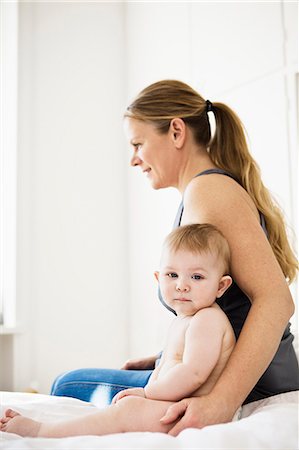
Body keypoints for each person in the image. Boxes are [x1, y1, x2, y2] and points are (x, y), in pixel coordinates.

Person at [50, 80, 298, 435]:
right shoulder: (207, 191)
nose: (134, 159)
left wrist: (221, 402)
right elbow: (228, 312)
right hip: (222, 370)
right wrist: (167, 355)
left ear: (177, 131)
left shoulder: (209, 191)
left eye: (138, 144)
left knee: (67, 385)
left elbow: (275, 301)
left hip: (249, 386)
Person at [1, 224, 238, 437]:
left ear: (221, 286)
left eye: (196, 277)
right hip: (172, 404)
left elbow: (193, 373)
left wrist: (147, 394)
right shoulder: (185, 319)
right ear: (158, 278)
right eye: (172, 275)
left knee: (127, 411)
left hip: (186, 412)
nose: (181, 285)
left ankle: (44, 431)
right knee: (121, 410)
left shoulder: (207, 320)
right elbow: (169, 365)